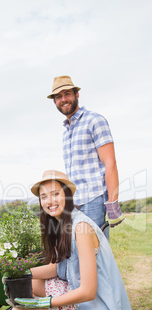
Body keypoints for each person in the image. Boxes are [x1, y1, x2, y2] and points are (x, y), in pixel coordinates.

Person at [9, 170, 134, 310]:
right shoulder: (61, 224)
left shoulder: (81, 228)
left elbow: (88, 292)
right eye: (44, 196)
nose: (50, 200)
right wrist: (19, 271)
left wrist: (45, 303)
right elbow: (57, 268)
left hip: (100, 306)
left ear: (67, 195)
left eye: (55, 194)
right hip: (80, 292)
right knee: (28, 285)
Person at [47, 75, 124, 234]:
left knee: (97, 253)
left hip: (94, 199)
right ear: (55, 102)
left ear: (77, 95)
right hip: (74, 202)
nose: (63, 99)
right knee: (79, 253)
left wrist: (112, 204)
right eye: (58, 97)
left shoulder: (94, 121)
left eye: (67, 94)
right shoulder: (66, 132)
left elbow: (110, 163)